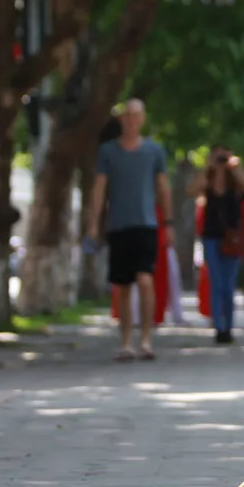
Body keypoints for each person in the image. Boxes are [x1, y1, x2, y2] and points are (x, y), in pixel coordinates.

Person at [86, 99, 172, 361]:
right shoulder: (108, 152)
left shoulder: (155, 151)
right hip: (119, 224)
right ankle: (125, 341)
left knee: (145, 280)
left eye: (137, 116)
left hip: (146, 224)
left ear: (143, 119)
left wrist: (168, 223)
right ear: (122, 120)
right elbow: (100, 188)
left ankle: (146, 338)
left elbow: (163, 187)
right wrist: (93, 224)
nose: (132, 120)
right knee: (122, 286)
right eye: (128, 116)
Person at [189, 147, 244, 344]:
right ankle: (218, 326)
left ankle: (229, 327)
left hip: (233, 239)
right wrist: (208, 168)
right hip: (211, 237)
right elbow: (191, 190)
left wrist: (236, 168)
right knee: (216, 283)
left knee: (228, 286)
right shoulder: (208, 181)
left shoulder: (235, 183)